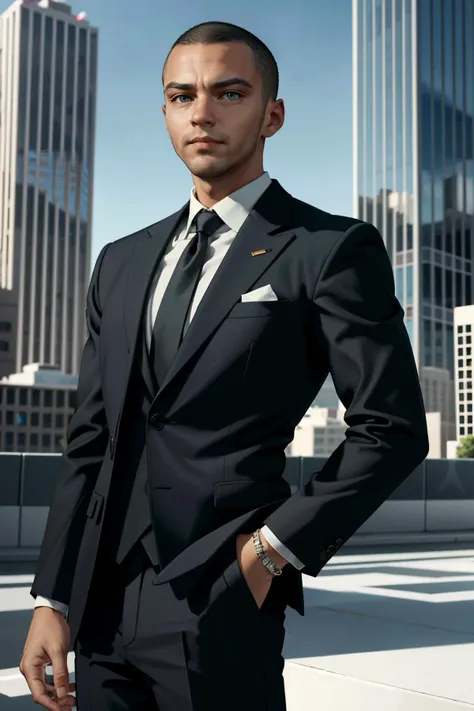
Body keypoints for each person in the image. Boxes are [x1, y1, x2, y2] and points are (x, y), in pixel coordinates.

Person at [20, 20, 429, 711]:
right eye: (182, 96)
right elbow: (91, 439)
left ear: (273, 113)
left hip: (220, 596)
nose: (202, 113)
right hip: (95, 601)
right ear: (165, 112)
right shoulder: (119, 261)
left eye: (228, 92)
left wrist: (270, 553)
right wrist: (50, 593)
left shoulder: (328, 247)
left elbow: (391, 426)